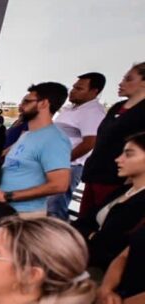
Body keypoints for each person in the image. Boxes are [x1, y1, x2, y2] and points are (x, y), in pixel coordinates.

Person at [0, 83, 72, 217]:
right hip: (3, 209)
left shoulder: (55, 140)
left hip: (24, 214)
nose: (20, 106)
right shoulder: (27, 135)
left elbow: (59, 185)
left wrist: (7, 196)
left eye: (26, 101)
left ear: (43, 104)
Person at [79, 63, 145, 216]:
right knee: (83, 221)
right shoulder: (117, 107)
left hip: (118, 179)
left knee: (105, 221)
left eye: (129, 79)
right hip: (95, 174)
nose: (121, 83)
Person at [73, 132, 145, 270]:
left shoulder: (140, 201)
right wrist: (93, 235)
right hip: (87, 261)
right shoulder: (122, 191)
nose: (118, 159)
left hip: (109, 274)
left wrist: (93, 236)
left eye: (129, 154)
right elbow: (83, 221)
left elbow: (111, 245)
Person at [49, 72, 106, 220]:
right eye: (74, 87)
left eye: (79, 88)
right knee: (45, 207)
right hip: (54, 164)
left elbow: (90, 143)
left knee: (54, 210)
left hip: (68, 166)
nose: (72, 91)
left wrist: (62, 160)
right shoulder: (71, 109)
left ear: (94, 91)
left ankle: (60, 241)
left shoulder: (93, 112)